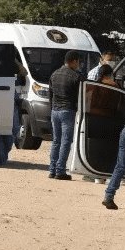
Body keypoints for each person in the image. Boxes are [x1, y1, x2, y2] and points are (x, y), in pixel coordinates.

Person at [48, 50, 83, 180]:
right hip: (67, 111)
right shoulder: (76, 77)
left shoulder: (54, 74)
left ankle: (52, 170)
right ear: (74, 61)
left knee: (56, 141)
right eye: (78, 62)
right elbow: (80, 97)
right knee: (66, 141)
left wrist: (52, 108)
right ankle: (60, 170)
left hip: (55, 111)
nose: (79, 64)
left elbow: (50, 94)